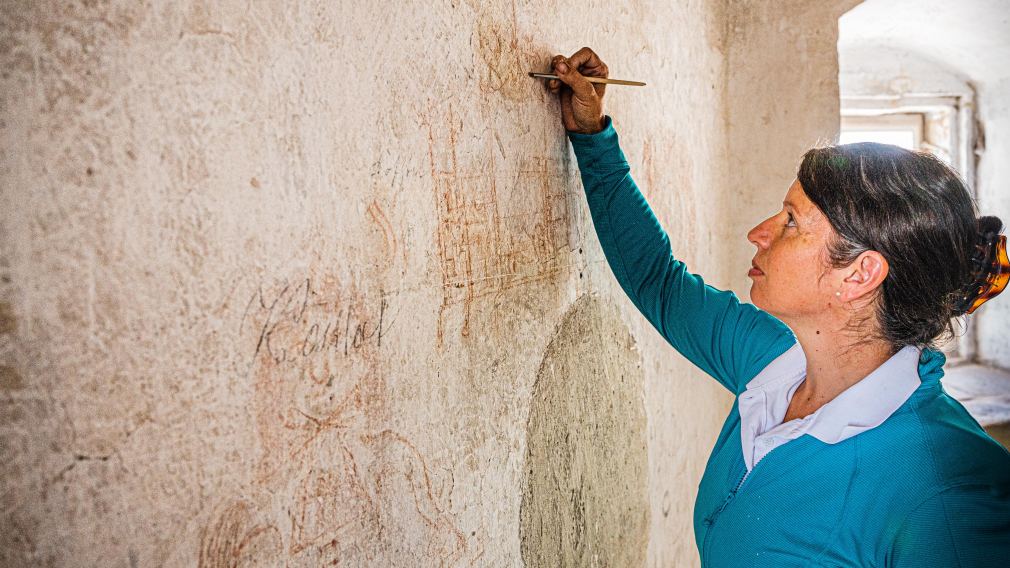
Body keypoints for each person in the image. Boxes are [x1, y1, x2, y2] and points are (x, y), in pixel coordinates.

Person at [544, 47, 1010, 567]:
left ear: (860, 274)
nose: (758, 233)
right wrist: (593, 139)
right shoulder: (771, 360)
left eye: (791, 220)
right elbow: (658, 281)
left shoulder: (951, 489)